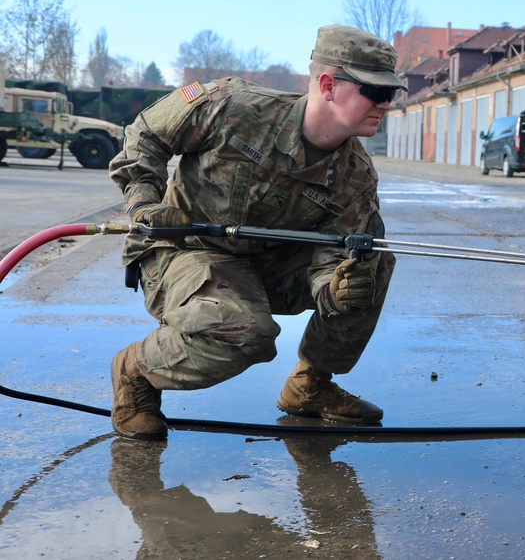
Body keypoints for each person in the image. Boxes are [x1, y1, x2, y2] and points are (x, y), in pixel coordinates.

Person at [107, 25, 403, 441]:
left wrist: (333, 289)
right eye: (375, 92)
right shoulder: (233, 106)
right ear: (328, 85)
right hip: (184, 251)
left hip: (263, 265)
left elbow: (334, 251)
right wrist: (144, 203)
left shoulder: (355, 175)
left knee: (369, 260)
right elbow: (147, 133)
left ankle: (309, 387)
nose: (386, 104)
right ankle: (136, 373)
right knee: (246, 333)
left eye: (392, 94)